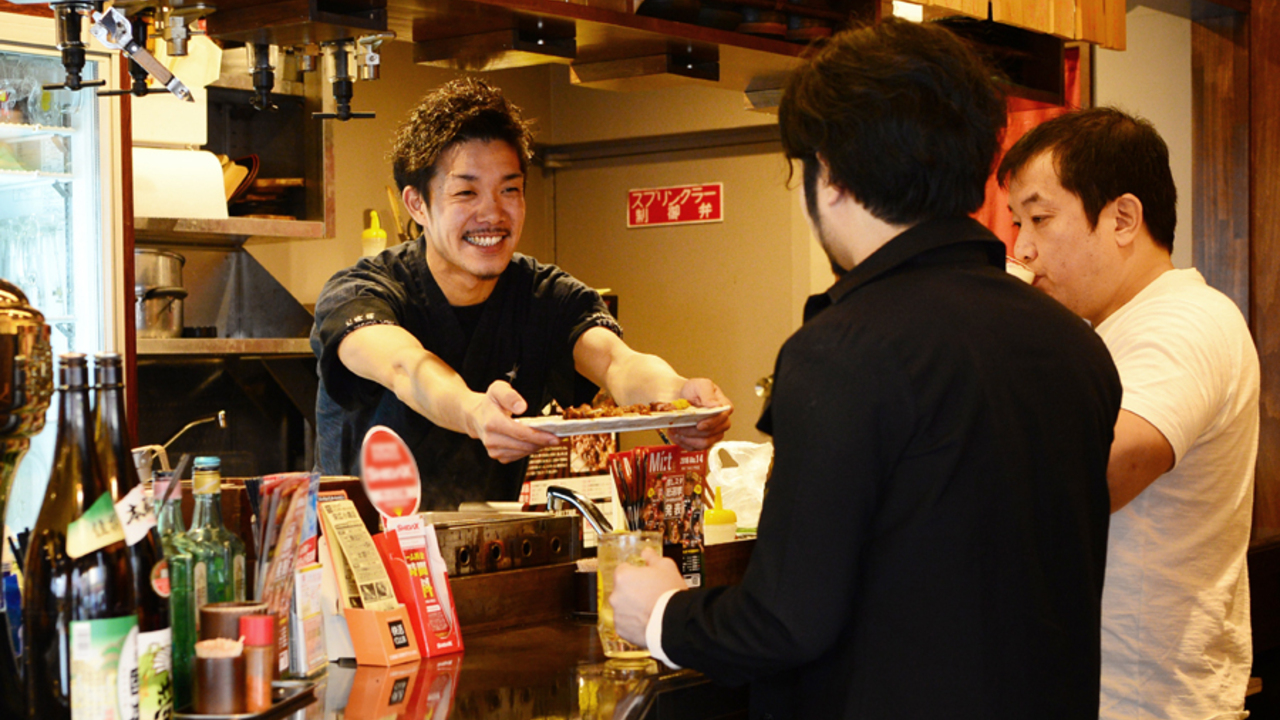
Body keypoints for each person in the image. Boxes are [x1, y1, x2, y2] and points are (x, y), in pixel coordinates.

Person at [609, 19, 1123, 719]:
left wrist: (662, 614)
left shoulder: (843, 349)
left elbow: (788, 616)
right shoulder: (1073, 343)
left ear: (833, 175)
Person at [311, 77, 732, 510]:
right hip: (371, 561)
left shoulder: (545, 296)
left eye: (509, 189)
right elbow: (403, 366)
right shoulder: (362, 292)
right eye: (466, 192)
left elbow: (616, 362)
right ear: (417, 204)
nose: (492, 213)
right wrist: (473, 411)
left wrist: (679, 397)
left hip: (493, 555)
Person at [999, 107, 1259, 719]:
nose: (1023, 247)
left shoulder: (1182, 322)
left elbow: (1096, 474)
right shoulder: (1108, 333)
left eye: (1039, 218)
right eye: (1016, 223)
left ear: (1122, 218)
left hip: (1144, 701)